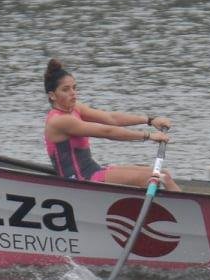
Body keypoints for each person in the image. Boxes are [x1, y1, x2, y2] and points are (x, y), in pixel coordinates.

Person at [41, 58, 180, 190]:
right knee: (161, 178)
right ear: (52, 95)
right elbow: (107, 132)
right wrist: (149, 136)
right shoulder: (59, 120)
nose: (73, 93)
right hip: (80, 180)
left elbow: (111, 118)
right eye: (66, 89)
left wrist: (150, 120)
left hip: (93, 170)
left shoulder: (75, 108)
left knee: (164, 173)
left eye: (74, 88)